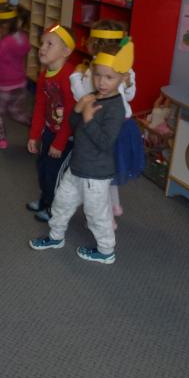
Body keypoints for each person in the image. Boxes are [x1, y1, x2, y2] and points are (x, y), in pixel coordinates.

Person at [29, 35, 134, 264]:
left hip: (96, 175)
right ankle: (55, 237)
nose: (101, 82)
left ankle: (106, 251)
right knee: (61, 203)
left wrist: (88, 118)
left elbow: (104, 142)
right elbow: (76, 126)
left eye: (109, 77)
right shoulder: (94, 96)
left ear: (123, 77)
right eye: (98, 75)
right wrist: (78, 111)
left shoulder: (115, 107)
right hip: (77, 166)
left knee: (96, 214)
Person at [69, 20, 141, 226]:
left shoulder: (93, 71)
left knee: (102, 175)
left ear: (92, 44)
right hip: (124, 126)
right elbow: (130, 96)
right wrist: (129, 83)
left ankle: (108, 219)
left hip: (103, 128)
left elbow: (82, 97)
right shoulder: (125, 68)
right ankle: (115, 206)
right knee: (111, 171)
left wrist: (75, 75)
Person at [26, 24, 77, 221]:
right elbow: (39, 106)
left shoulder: (69, 77)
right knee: (43, 168)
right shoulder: (44, 75)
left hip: (66, 136)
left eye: (50, 44)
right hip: (50, 131)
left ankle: (54, 209)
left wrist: (60, 142)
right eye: (42, 43)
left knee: (55, 173)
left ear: (66, 51)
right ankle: (46, 199)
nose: (42, 48)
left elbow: (72, 114)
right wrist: (34, 135)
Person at [0, 0, 32, 149]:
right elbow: (27, 47)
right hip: (20, 83)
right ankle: (37, 126)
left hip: (5, 86)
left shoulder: (5, 42)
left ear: (3, 25)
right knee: (16, 112)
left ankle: (1, 140)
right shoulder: (20, 36)